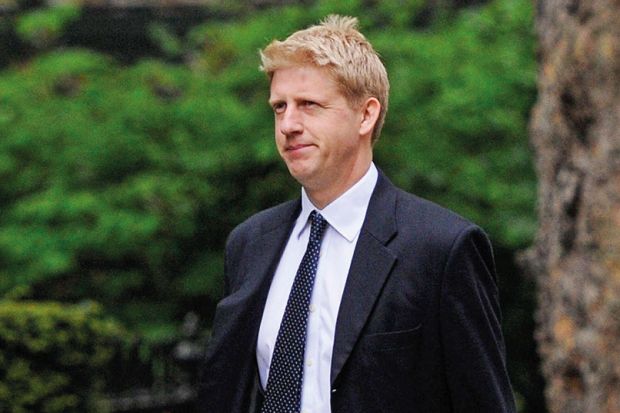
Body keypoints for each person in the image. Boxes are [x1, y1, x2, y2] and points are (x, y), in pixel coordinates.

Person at [197, 15, 516, 413]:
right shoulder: (250, 243)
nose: (288, 125)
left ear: (366, 115)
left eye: (308, 105)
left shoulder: (441, 248)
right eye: (279, 107)